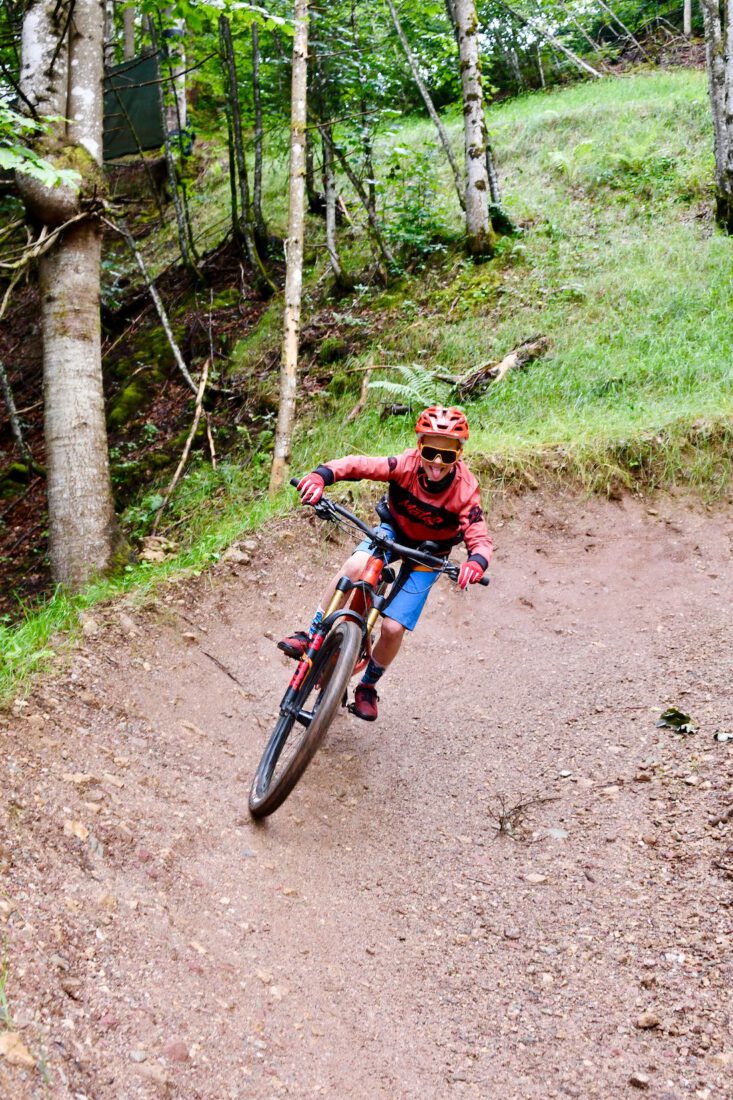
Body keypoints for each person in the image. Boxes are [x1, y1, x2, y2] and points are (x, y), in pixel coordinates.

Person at [278, 405, 493, 722]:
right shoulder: (405, 465)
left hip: (430, 554)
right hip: (392, 532)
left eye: (447, 455)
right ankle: (312, 635)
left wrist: (475, 562)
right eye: (431, 451)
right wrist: (321, 476)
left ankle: (367, 686)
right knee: (356, 565)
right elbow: (359, 465)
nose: (437, 462)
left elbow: (479, 535)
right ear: (420, 446)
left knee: (392, 627)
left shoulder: (465, 488)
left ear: (459, 454)